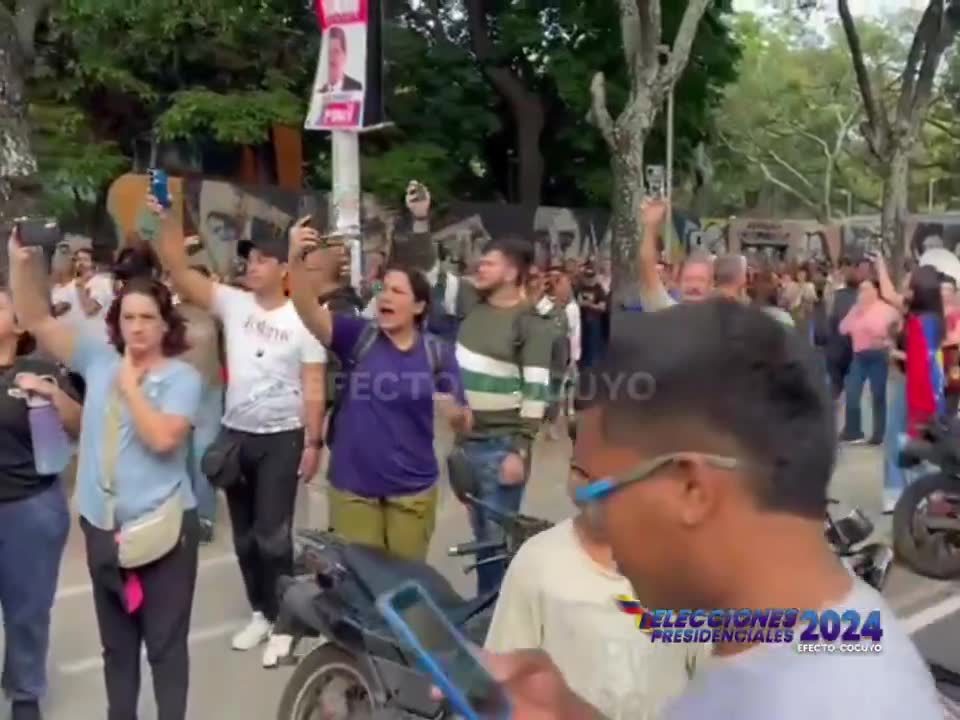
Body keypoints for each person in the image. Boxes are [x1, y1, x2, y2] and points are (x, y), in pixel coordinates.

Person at [475, 301, 942, 720]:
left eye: (601, 490)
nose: (594, 520)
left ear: (691, 488)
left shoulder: (821, 701)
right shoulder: (816, 643)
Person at [9, 233, 203, 720]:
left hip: (163, 534)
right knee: (117, 652)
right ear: (117, 322)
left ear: (164, 326)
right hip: (104, 530)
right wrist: (20, 263)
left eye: (147, 318)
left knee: (164, 649)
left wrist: (131, 387)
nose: (137, 327)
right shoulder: (98, 358)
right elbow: (35, 318)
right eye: (128, 317)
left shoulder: (182, 378)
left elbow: (162, 438)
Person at [151, 200, 327, 665]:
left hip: (283, 438)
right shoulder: (233, 303)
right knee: (246, 537)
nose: (252, 265)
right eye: (249, 258)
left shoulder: (303, 318)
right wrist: (168, 220)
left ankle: (287, 623)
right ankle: (262, 612)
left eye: (263, 258)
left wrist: (313, 441)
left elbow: (313, 384)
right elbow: (178, 269)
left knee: (274, 537)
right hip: (236, 435)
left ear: (284, 266)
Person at [288, 224, 471, 563]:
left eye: (397, 292)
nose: (385, 297)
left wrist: (455, 414)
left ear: (418, 307)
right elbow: (306, 307)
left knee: (404, 584)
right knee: (361, 584)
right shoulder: (357, 335)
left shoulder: (437, 353)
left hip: (412, 493)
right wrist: (296, 257)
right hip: (353, 488)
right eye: (383, 289)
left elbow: (465, 421)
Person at [485, 455, 707, 719]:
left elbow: (719, 683)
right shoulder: (537, 562)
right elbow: (505, 684)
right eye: (581, 469)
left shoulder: (687, 566)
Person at [0, 286, 80, 720]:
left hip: (29, 507)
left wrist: (52, 396)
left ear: (17, 324)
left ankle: (25, 692)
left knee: (27, 609)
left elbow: (77, 425)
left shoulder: (39, 370)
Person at [456, 237, 554, 594]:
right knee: (480, 540)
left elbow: (537, 390)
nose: (480, 267)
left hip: (502, 449)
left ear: (512, 272)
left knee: (496, 546)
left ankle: (498, 624)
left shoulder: (531, 323)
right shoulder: (471, 308)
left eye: (490, 262)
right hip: (467, 446)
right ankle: (490, 615)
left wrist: (520, 449)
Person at [838, 278, 899, 445]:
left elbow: (896, 333)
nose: (862, 293)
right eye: (860, 290)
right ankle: (853, 430)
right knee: (852, 391)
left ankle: (878, 434)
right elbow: (842, 328)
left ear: (875, 291)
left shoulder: (886, 310)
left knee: (878, 394)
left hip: (878, 355)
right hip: (859, 356)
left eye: (866, 289)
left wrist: (886, 342)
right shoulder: (856, 309)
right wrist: (856, 312)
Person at [637, 198, 713, 310]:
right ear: (677, 283)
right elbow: (646, 263)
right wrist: (650, 226)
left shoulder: (720, 320)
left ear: (711, 285)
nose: (694, 286)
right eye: (688, 279)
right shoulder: (666, 309)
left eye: (700, 280)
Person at [50, 246, 114, 340]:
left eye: (85, 260)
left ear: (94, 263)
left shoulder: (101, 282)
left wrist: (80, 287)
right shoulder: (72, 285)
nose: (80, 263)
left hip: (95, 340)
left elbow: (90, 310)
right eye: (78, 260)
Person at [576, 265, 608, 369]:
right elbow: (577, 302)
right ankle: (582, 362)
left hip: (594, 320)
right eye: (587, 275)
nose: (588, 278)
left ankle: (592, 364)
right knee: (582, 342)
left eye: (591, 276)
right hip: (581, 320)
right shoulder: (579, 287)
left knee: (592, 342)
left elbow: (602, 307)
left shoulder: (598, 288)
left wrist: (589, 305)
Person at [320, 26, 363, 92]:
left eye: (336, 51)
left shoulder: (357, 88)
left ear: (344, 55)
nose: (331, 57)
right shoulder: (320, 92)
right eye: (329, 52)